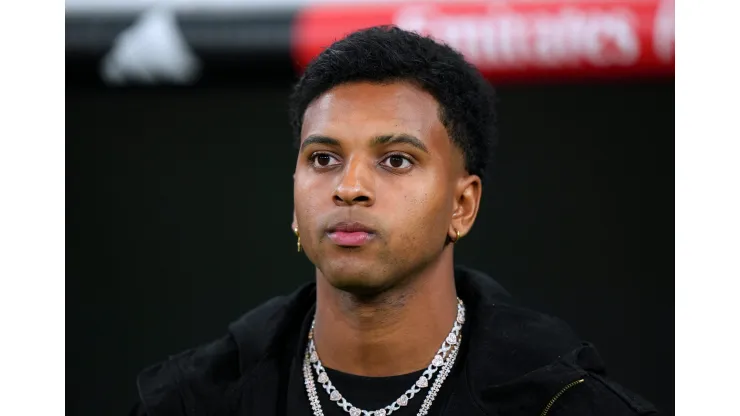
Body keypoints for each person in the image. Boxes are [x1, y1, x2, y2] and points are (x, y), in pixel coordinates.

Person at [130, 26, 658, 416]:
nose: (349, 186)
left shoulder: (562, 403)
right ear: (294, 202)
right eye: (323, 159)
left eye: (396, 160)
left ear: (463, 206)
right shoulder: (191, 401)